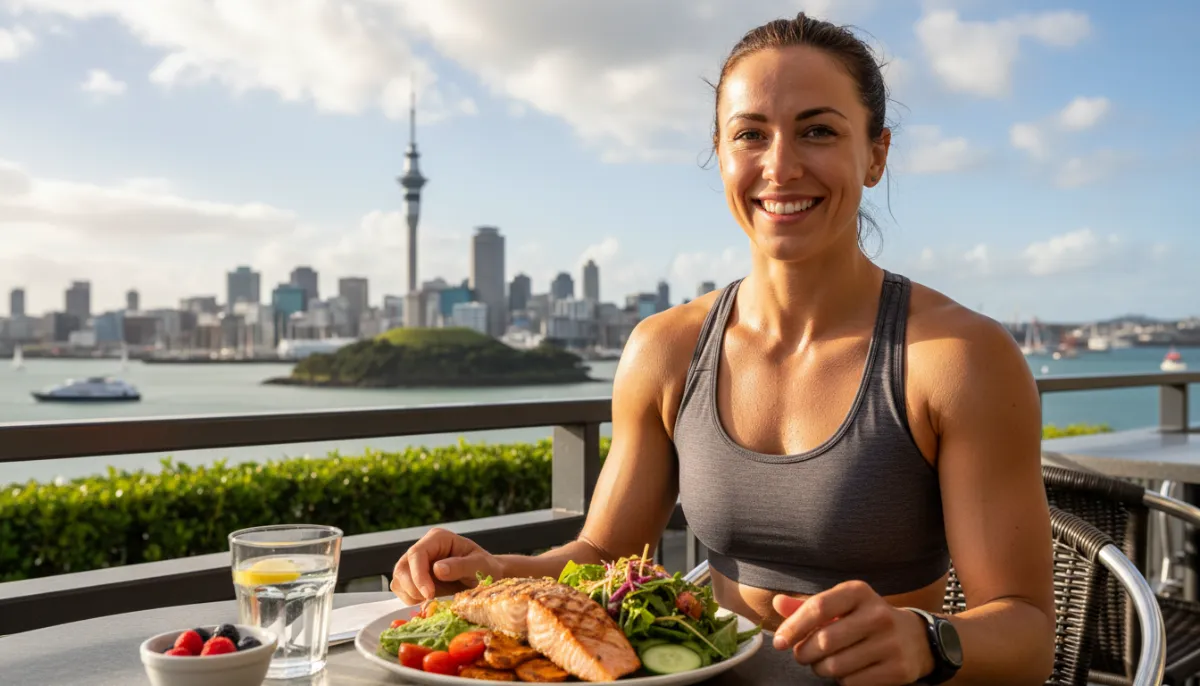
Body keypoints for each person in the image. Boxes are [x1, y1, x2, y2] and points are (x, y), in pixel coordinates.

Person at [391, 12, 1055, 685]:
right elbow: (604, 553)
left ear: (876, 154)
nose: (782, 166)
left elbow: (1027, 636)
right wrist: (491, 570)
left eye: (818, 131)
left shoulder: (958, 359)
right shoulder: (666, 349)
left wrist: (925, 641)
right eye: (750, 135)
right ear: (721, 152)